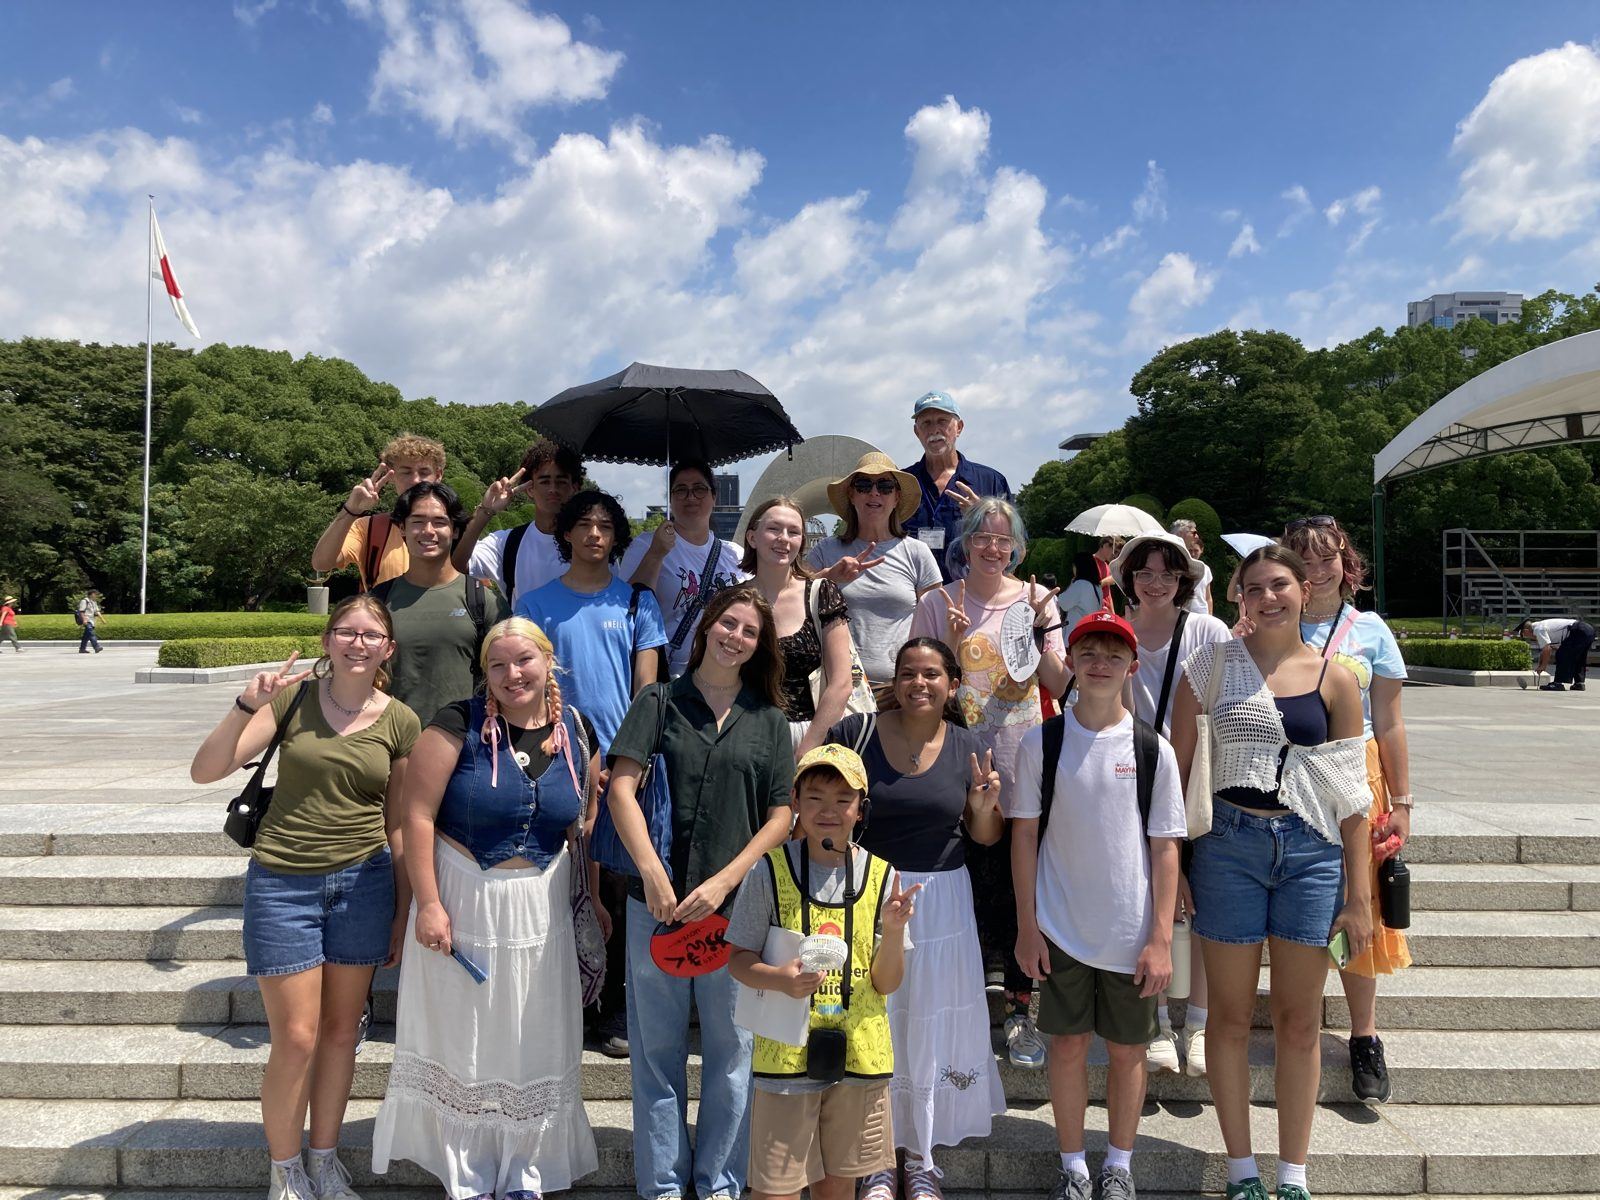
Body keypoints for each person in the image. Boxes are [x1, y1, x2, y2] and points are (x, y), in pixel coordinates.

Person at [189, 596, 419, 1200]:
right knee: (295, 1035)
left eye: (371, 634)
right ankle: (284, 1167)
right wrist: (246, 704)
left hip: (363, 885)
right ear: (327, 640)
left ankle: (323, 1158)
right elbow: (206, 770)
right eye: (346, 630)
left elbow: (398, 824)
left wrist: (401, 908)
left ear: (387, 649)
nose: (357, 642)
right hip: (283, 882)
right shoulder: (292, 701)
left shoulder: (400, 720)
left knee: (343, 1032)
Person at [1168, 546, 1372, 1200]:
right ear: (1239, 598)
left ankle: (1293, 1174)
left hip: (1312, 855)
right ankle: (1240, 1169)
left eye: (1279, 584)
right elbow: (1176, 779)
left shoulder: (1337, 679)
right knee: (1228, 1019)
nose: (1269, 597)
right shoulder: (1209, 666)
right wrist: (1177, 868)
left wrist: (1361, 898)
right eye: (1254, 588)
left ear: (1305, 588)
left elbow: (1354, 797)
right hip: (1228, 848)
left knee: (1299, 1021)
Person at [372, 617, 600, 1200]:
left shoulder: (576, 728)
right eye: (496, 665)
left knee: (534, 1032)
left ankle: (526, 1167)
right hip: (464, 893)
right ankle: (467, 1170)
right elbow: (416, 814)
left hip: (542, 903)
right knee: (467, 1035)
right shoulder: (456, 722)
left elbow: (584, 823)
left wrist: (593, 899)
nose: (510, 674)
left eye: (523, 660)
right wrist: (427, 903)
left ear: (549, 661)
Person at [603, 585, 797, 1200]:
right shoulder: (658, 701)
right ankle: (662, 1184)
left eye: (749, 631)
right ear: (707, 625)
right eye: (727, 623)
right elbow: (621, 789)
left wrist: (725, 878)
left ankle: (719, 1183)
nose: (735, 637)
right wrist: (654, 874)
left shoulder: (767, 721)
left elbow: (781, 815)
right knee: (656, 1053)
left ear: (759, 645)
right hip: (653, 905)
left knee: (732, 1055)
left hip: (735, 912)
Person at [1012, 611, 1184, 1200]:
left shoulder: (1151, 748)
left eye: (1114, 654)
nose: (1100, 663)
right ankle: (1073, 1165)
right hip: (1060, 926)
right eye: (1089, 652)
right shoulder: (1043, 741)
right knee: (1065, 1045)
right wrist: (1027, 927)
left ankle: (1118, 1163)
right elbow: (1024, 837)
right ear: (1072, 663)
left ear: (1131, 666)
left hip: (1130, 930)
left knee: (1129, 1049)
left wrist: (1161, 937)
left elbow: (1165, 849)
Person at [825, 638, 1005, 1200]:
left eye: (931, 674)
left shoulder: (971, 746)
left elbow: (985, 838)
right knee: (876, 1025)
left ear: (952, 683)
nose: (919, 683)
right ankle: (878, 1158)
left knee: (927, 1025)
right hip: (867, 897)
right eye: (908, 673)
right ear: (893, 681)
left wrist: (982, 808)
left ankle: (921, 1157)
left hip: (944, 900)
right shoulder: (853, 738)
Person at [909, 498, 1066, 1069]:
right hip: (955, 760)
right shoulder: (938, 601)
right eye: (983, 537)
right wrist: (948, 645)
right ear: (965, 542)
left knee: (1019, 884)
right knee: (966, 883)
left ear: (1017, 547)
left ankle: (1022, 1009)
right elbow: (921, 682)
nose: (993, 548)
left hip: (1022, 758)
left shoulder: (1032, 602)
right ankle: (968, 1009)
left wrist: (1049, 627)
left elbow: (1056, 681)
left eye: (1004, 540)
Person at [725, 743, 919, 1200]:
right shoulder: (768, 871)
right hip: (786, 1056)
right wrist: (780, 979)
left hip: (859, 1056)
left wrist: (892, 932)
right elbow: (738, 960)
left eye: (842, 800)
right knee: (775, 1189)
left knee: (839, 1187)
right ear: (795, 803)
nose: (828, 811)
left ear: (860, 809)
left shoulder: (881, 876)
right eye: (814, 797)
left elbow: (888, 982)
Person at [515, 488, 665, 1056]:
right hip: (555, 755)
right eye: (585, 524)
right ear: (567, 534)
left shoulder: (636, 604)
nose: (595, 535)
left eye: (606, 525)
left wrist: (630, 759)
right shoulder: (534, 605)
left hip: (624, 767)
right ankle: (559, 1002)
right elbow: (525, 686)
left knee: (620, 885)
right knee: (558, 881)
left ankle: (613, 1008)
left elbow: (646, 691)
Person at [1283, 517, 1415, 1103]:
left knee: (1358, 905)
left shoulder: (1371, 630)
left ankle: (1365, 1036)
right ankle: (1300, 1022)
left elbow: (1388, 720)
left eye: (1326, 556)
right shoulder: (1270, 618)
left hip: (1356, 775)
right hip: (1285, 777)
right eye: (1302, 558)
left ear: (1346, 561)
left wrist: (1403, 801)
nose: (1316, 569)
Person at [1111, 532, 1232, 1079]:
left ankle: (1200, 1022)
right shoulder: (1118, 633)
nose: (1155, 583)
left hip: (1199, 778)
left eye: (1167, 573)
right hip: (1134, 777)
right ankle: (1157, 1018)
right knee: (1148, 899)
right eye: (1144, 573)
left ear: (1184, 580)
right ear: (1128, 580)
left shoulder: (1207, 630)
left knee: (1201, 899)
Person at [373, 482, 506, 726]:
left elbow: (510, 674)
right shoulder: (377, 601)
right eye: (418, 521)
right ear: (402, 528)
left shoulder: (482, 600)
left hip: (465, 744)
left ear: (455, 530)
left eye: (440, 522)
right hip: (390, 742)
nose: (428, 531)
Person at [808, 452, 942, 688]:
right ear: (851, 494)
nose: (874, 492)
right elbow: (794, 600)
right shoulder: (825, 551)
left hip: (901, 688)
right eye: (863, 485)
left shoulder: (917, 553)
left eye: (885, 486)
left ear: (896, 496)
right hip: (840, 686)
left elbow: (935, 625)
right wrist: (828, 577)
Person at [743, 496, 853, 755]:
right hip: (744, 738)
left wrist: (806, 751)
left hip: (808, 736)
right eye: (773, 529)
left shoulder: (822, 594)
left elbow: (841, 682)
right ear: (752, 538)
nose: (784, 538)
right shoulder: (732, 600)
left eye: (794, 532)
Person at [621, 458, 748, 678]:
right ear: (670, 498)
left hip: (726, 679)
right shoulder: (645, 545)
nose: (690, 497)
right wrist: (656, 554)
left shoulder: (735, 554)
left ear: (714, 497)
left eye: (699, 489)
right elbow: (626, 606)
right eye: (681, 490)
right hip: (669, 679)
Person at [454, 439, 586, 608]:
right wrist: (485, 511)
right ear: (530, 488)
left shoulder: (591, 543)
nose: (553, 489)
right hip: (522, 633)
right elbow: (458, 565)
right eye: (544, 481)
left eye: (561, 481)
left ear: (574, 487)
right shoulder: (507, 543)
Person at [900, 391, 1012, 583]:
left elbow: (1017, 548)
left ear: (959, 427)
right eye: (926, 423)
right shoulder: (901, 483)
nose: (934, 430)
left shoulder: (991, 481)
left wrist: (983, 518)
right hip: (914, 599)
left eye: (942, 421)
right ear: (916, 432)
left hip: (972, 598)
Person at [311, 434, 447, 590]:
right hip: (383, 614)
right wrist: (351, 510)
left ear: (438, 475)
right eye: (406, 472)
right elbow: (321, 563)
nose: (415, 480)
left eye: (424, 472)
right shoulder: (369, 528)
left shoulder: (455, 528)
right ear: (391, 475)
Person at [1514, 616, 1595, 691]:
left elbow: (1547, 649)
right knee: (1578, 657)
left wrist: (1543, 666)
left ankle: (1558, 684)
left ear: (1526, 631)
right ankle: (1579, 683)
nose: (1528, 638)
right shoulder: (1543, 627)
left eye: (1524, 636)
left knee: (1561, 655)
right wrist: (1541, 664)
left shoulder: (1538, 629)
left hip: (1577, 630)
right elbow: (1546, 649)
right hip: (1588, 630)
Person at [1170, 520, 1215, 615]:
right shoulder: (1169, 558)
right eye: (1194, 533)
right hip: (1176, 613)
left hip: (1199, 614)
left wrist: (1210, 615)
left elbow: (1208, 596)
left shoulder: (1203, 567)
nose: (1197, 536)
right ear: (1181, 533)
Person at [1061, 554, 1104, 630]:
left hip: (1077, 630)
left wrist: (1071, 584)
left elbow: (1063, 603)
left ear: (1078, 567)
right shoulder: (1097, 586)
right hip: (1090, 629)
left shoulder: (1080, 584)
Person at [1093, 539, 1122, 611]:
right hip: (1093, 610)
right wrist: (1107, 581)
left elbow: (1108, 593)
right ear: (1105, 545)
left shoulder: (1107, 566)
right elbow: (1086, 588)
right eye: (1115, 551)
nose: (1115, 556)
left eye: (1118, 553)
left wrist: (1113, 613)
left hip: (1105, 611)